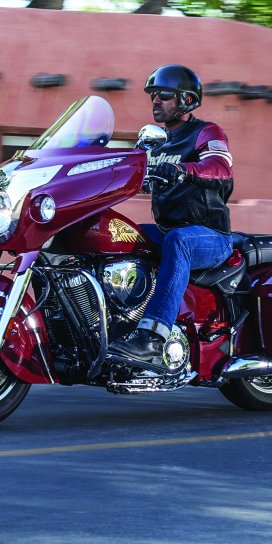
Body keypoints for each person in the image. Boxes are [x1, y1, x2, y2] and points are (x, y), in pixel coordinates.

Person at [107, 64, 234, 372]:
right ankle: (112, 322)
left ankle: (152, 338)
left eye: (163, 95)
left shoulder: (206, 132)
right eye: (153, 95)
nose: (155, 101)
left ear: (186, 101)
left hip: (209, 235)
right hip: (167, 230)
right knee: (116, 234)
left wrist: (182, 170)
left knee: (179, 241)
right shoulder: (155, 140)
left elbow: (221, 167)